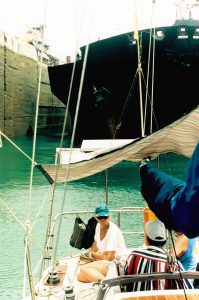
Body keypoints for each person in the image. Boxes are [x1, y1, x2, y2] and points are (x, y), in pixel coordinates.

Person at [139, 141, 199, 238]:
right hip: (175, 203)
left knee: (154, 179)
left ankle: (144, 166)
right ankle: (144, 166)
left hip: (175, 202)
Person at [124, 220, 193, 291]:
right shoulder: (173, 263)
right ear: (165, 240)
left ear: (147, 239)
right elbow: (188, 290)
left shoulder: (133, 256)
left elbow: (125, 280)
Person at [77, 203, 127, 283]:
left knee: (84, 269)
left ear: (109, 216)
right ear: (96, 218)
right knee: (79, 276)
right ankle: (102, 279)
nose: (103, 219)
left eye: (105, 217)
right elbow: (95, 244)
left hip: (118, 264)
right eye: (100, 217)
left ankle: (106, 284)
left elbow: (108, 257)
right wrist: (90, 257)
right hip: (108, 262)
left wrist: (92, 254)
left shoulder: (113, 230)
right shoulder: (98, 226)